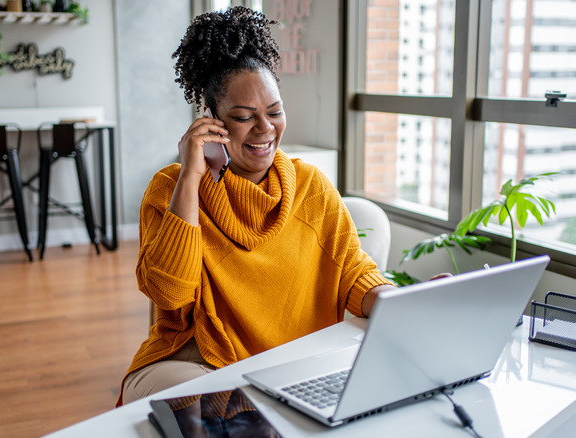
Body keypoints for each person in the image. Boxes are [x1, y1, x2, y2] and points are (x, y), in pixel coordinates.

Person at [117, 6, 395, 406]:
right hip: (200, 359)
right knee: (210, 405)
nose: (265, 128)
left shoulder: (310, 185)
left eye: (275, 111)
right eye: (245, 117)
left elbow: (352, 273)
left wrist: (395, 301)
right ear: (211, 121)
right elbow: (169, 293)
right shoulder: (170, 188)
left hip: (288, 361)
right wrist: (190, 177)